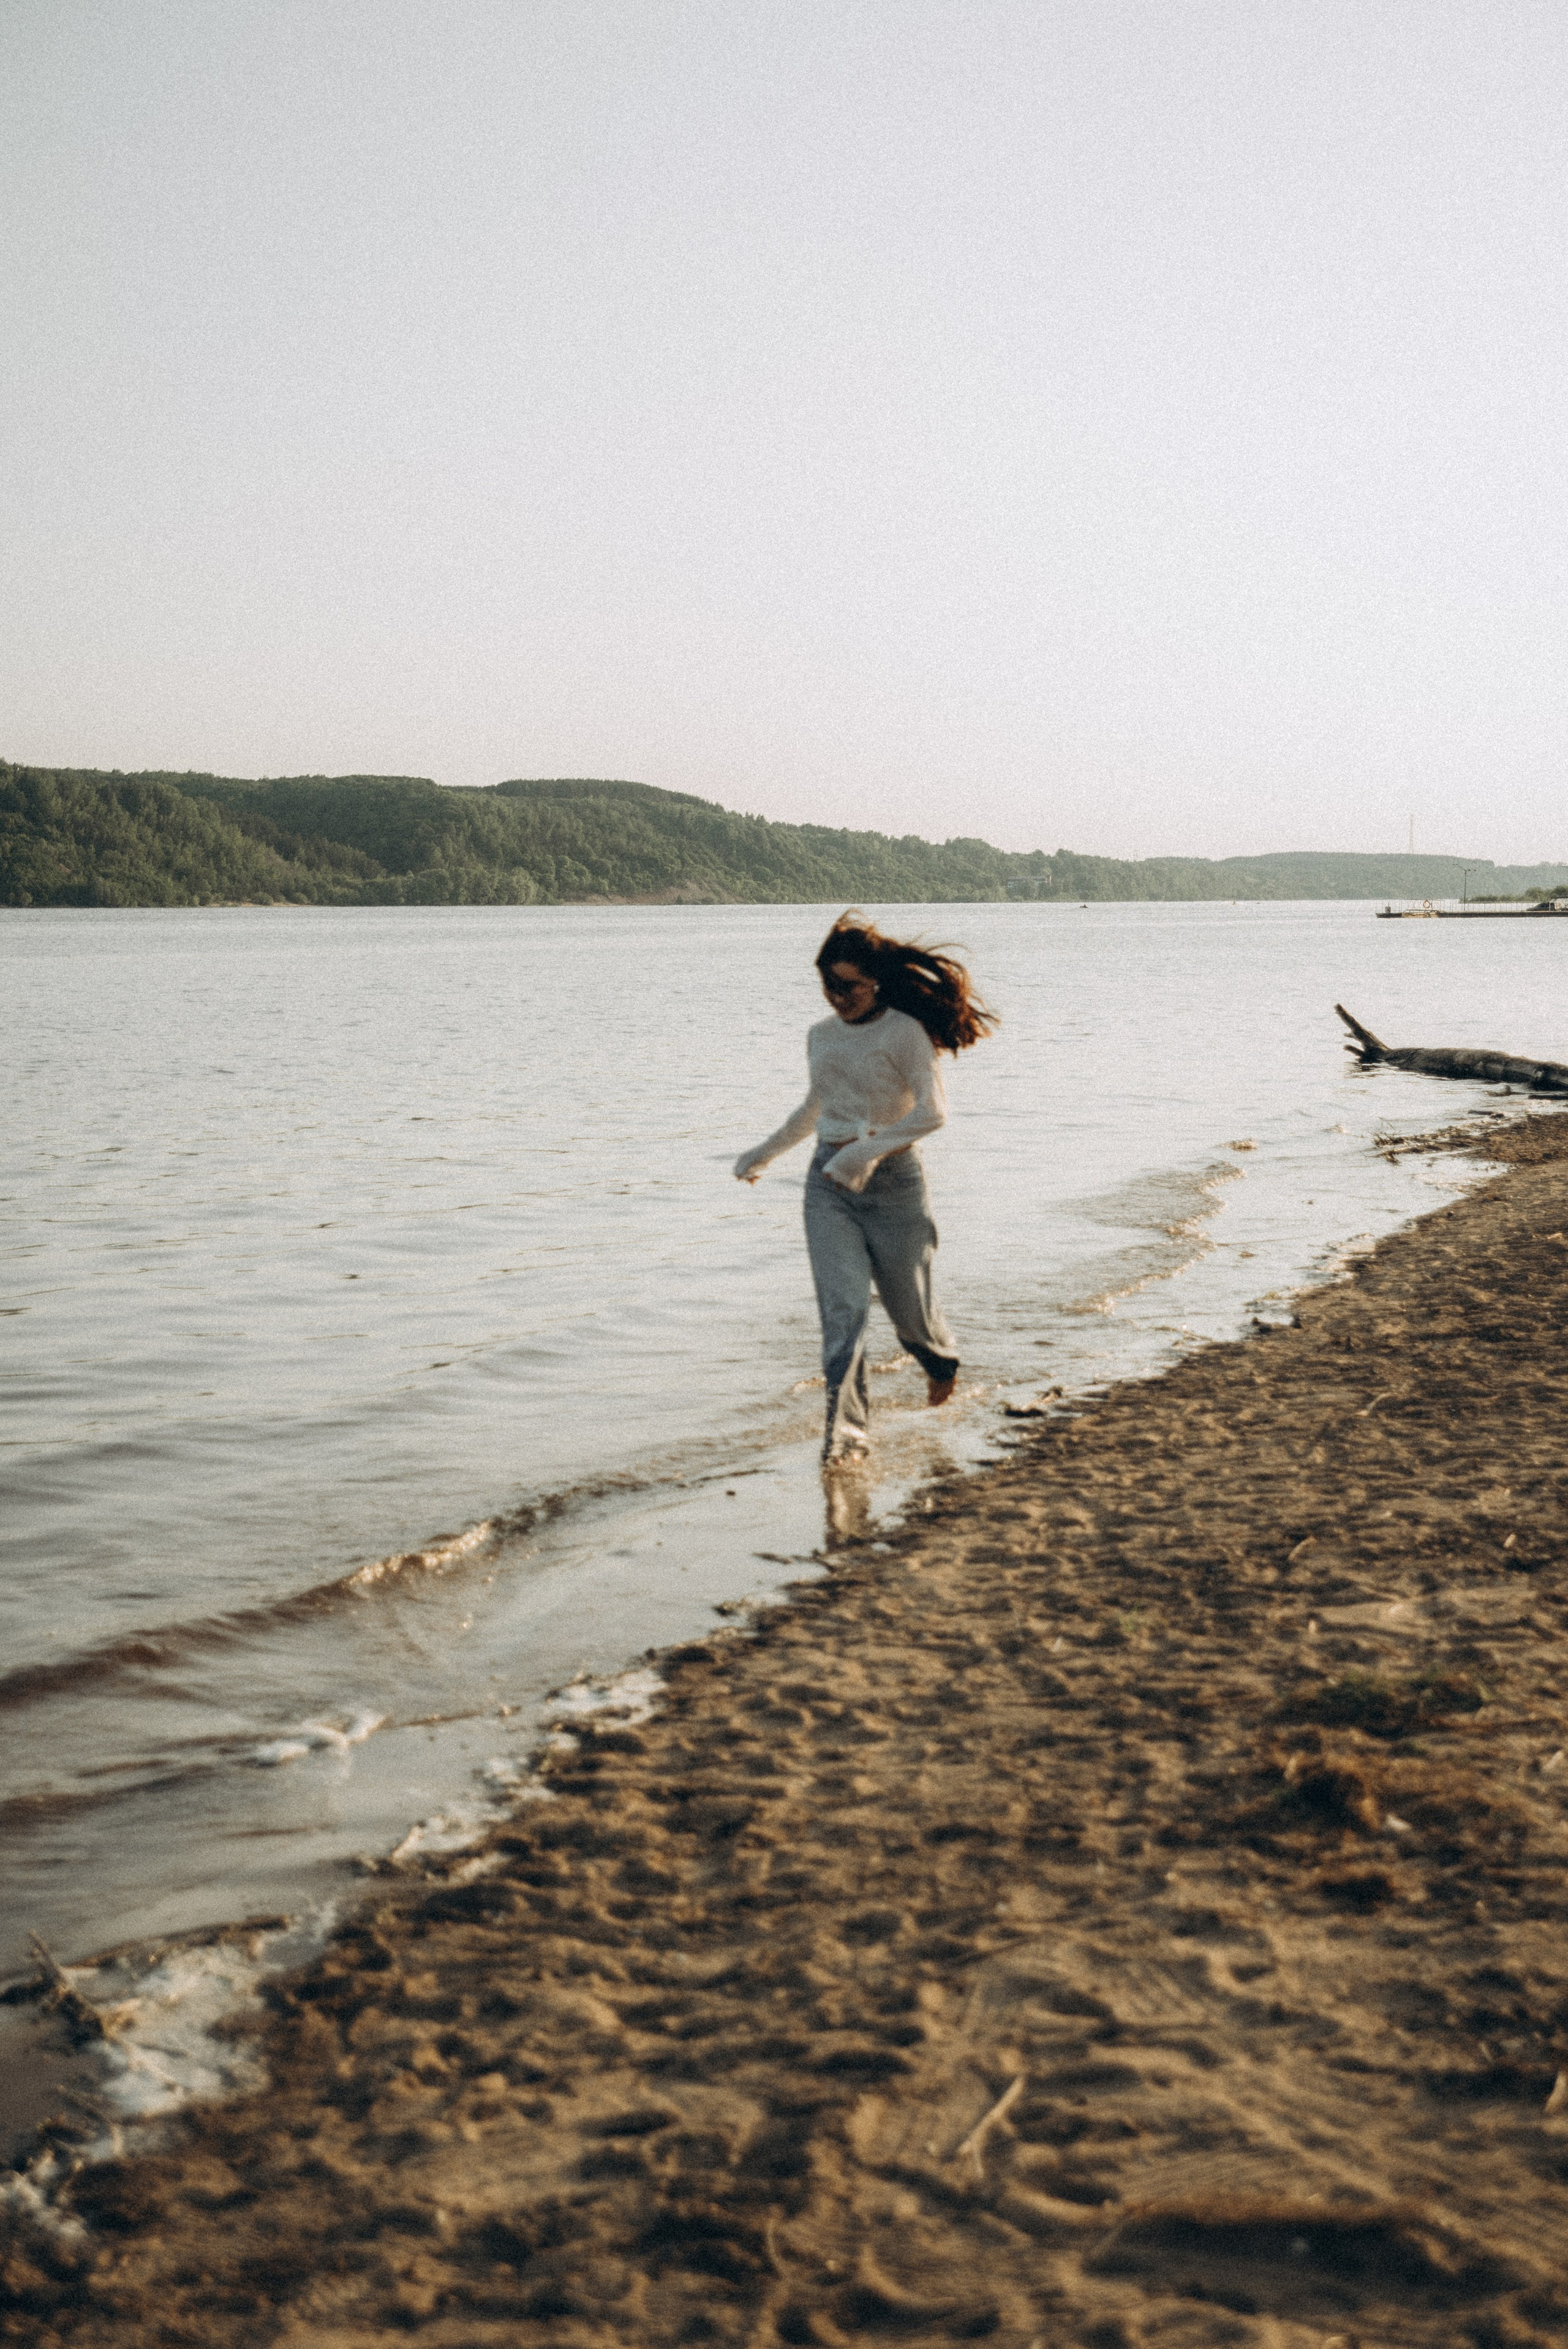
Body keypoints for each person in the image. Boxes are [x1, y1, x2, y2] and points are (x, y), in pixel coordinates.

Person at [734, 910, 997, 1461]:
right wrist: (764, 1153)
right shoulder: (820, 1036)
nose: (836, 996)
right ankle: (848, 1438)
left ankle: (938, 1360)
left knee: (912, 1316)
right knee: (844, 1311)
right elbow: (816, 1106)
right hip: (828, 1184)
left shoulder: (905, 1032)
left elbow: (934, 1113)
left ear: (874, 979)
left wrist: (867, 1151)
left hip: (896, 1183)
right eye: (828, 985)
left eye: (848, 985)